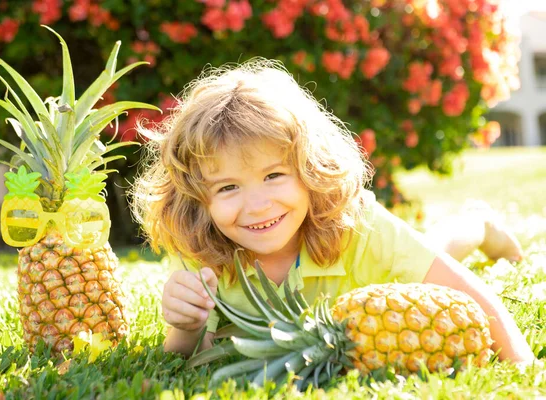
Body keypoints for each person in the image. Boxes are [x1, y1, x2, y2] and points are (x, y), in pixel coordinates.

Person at [130, 58, 535, 365]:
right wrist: (186, 325)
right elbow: (187, 354)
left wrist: (524, 371)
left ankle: (479, 224)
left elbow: (479, 301)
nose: (256, 205)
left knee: (436, 253)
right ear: (197, 197)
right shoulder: (201, 245)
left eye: (274, 175)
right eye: (228, 187)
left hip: (365, 258)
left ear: (310, 169)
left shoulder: (359, 225)